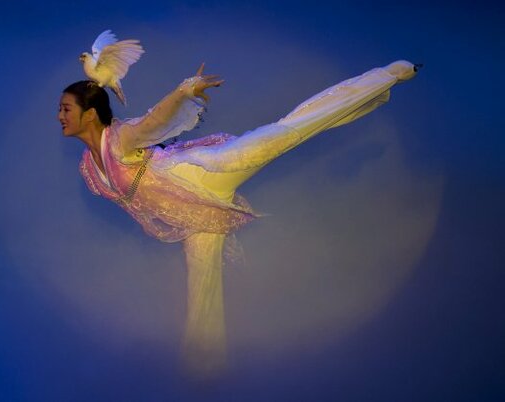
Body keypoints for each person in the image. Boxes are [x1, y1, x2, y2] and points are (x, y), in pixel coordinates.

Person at [58, 60, 419, 378]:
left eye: (66, 108)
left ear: (90, 114)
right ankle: (205, 371)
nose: (60, 115)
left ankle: (386, 76)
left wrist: (184, 91)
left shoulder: (118, 139)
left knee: (285, 133)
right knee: (201, 284)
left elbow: (154, 122)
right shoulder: (89, 167)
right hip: (195, 213)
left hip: (204, 173)